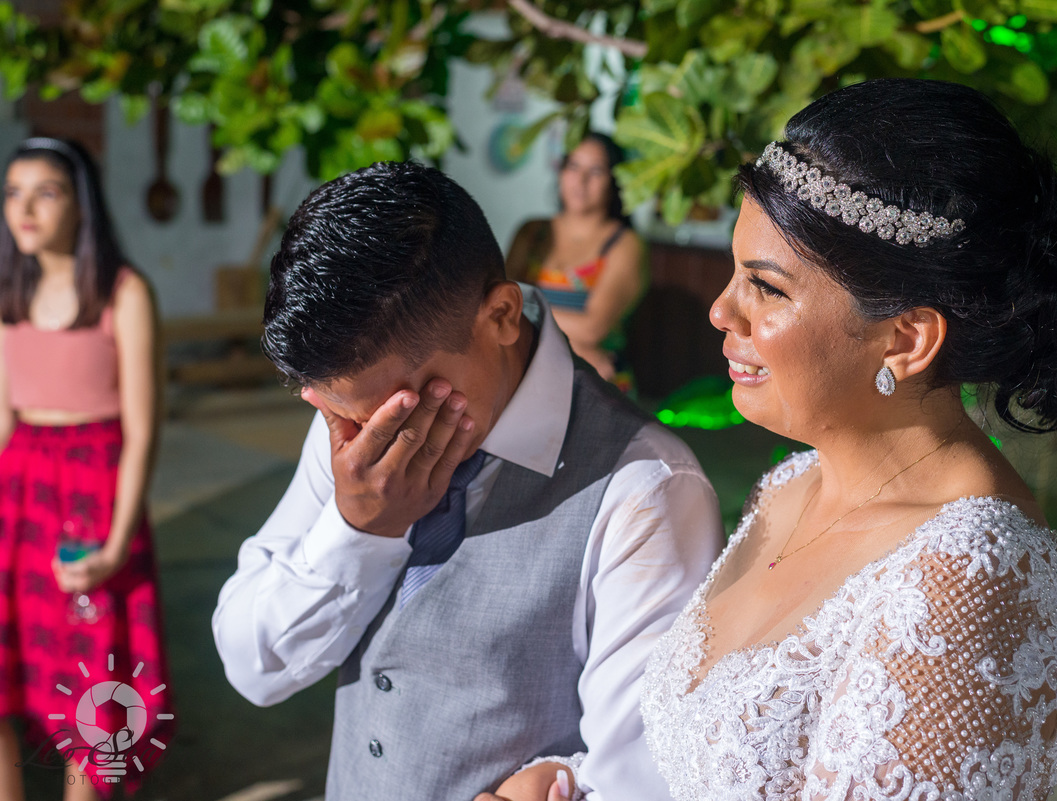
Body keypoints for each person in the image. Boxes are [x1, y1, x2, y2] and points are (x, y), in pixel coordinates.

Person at [638, 79, 1057, 800]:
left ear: (906, 338)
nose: (722, 309)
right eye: (733, 272)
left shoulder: (970, 576)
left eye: (768, 288)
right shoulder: (792, 486)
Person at [211, 161, 723, 801]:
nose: (387, 438)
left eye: (407, 404)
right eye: (351, 414)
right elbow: (254, 666)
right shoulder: (359, 424)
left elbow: (643, 773)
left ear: (503, 315)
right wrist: (357, 530)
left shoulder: (646, 489)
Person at [0, 138, 174, 798]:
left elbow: (143, 429)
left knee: (93, 698)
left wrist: (116, 541)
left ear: (82, 204)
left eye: (46, 192)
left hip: (92, 493)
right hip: (19, 494)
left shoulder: (124, 292)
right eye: (14, 192)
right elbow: (2, 423)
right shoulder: (6, 290)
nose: (26, 208)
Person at [505, 133, 643, 386]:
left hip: (595, 380)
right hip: (533, 372)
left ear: (614, 181)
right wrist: (576, 348)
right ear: (561, 172)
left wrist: (522, 310)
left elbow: (593, 329)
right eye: (574, 166)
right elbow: (499, 301)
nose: (581, 180)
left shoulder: (625, 244)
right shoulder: (532, 232)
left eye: (596, 171)